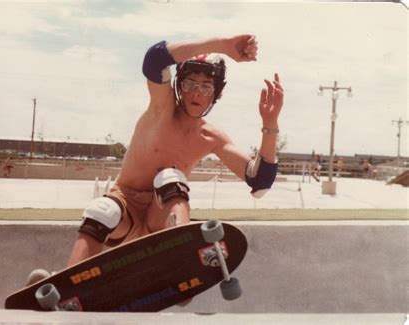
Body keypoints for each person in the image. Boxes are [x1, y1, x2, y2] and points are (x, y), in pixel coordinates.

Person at [28, 34, 284, 284]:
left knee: (170, 178)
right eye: (189, 83)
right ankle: (64, 286)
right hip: (124, 208)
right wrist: (222, 45)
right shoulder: (162, 109)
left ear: (214, 94)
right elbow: (154, 59)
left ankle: (185, 259)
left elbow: (259, 182)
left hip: (160, 219)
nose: (196, 92)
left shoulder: (211, 137)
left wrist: (270, 125)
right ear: (178, 87)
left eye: (205, 86)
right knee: (101, 211)